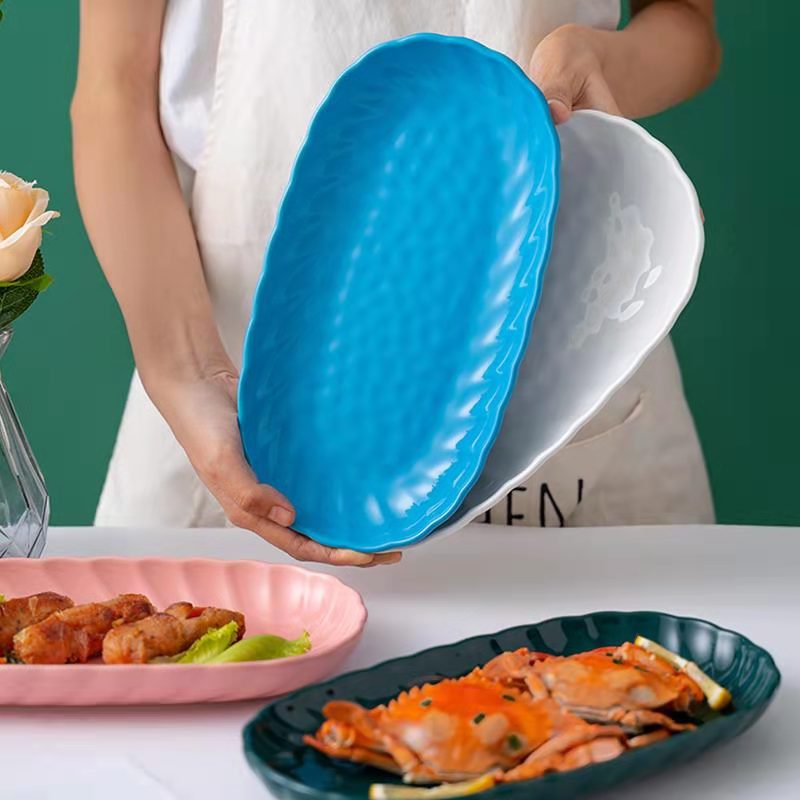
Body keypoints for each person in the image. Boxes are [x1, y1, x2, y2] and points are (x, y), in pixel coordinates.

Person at [72, 1, 721, 567]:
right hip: (234, 386)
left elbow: (688, 25)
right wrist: (187, 375)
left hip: (567, 345)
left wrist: (602, 60)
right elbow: (114, 89)